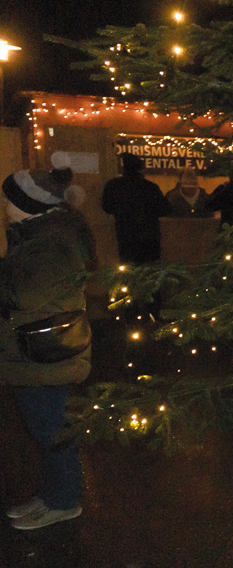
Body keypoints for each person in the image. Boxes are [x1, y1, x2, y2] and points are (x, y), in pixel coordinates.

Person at [0, 152, 96, 529]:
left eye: (9, 200)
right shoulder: (40, 234)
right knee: (45, 430)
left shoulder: (51, 243)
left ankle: (63, 501)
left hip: (46, 354)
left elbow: (26, 295)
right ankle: (52, 494)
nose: (4, 206)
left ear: (29, 205)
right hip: (36, 352)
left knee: (52, 431)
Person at [101, 152, 171, 264]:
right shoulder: (151, 187)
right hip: (149, 236)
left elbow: (107, 207)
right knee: (149, 270)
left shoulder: (113, 185)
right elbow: (164, 209)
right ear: (140, 168)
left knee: (128, 269)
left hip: (125, 235)